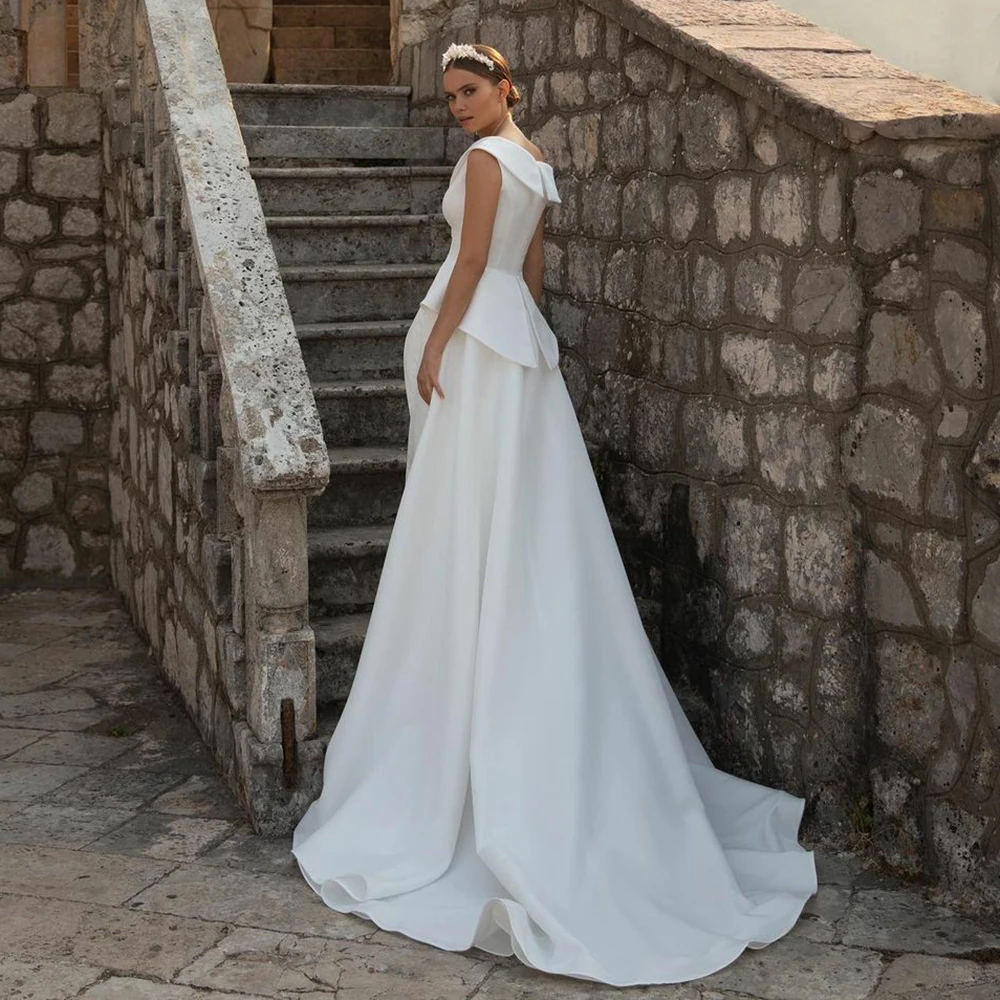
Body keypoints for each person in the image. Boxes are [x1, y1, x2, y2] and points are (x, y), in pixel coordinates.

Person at [292, 42, 818, 987]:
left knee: (464, 525)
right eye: (449, 95)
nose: (457, 106)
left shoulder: (489, 162)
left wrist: (436, 349)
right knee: (519, 520)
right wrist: (519, 347)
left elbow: (467, 266)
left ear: (505, 89)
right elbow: (531, 279)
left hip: (477, 348)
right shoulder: (539, 161)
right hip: (519, 355)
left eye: (470, 90)